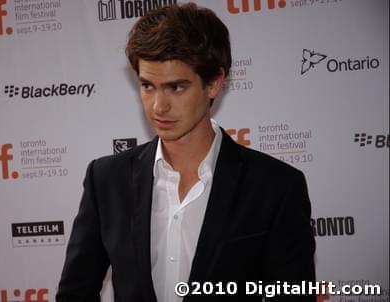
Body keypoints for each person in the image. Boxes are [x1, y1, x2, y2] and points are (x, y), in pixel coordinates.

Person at [56, 3, 315, 302]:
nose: (158, 106)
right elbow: (75, 293)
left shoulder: (275, 186)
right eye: (147, 86)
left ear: (214, 83)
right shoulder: (106, 180)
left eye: (176, 87)